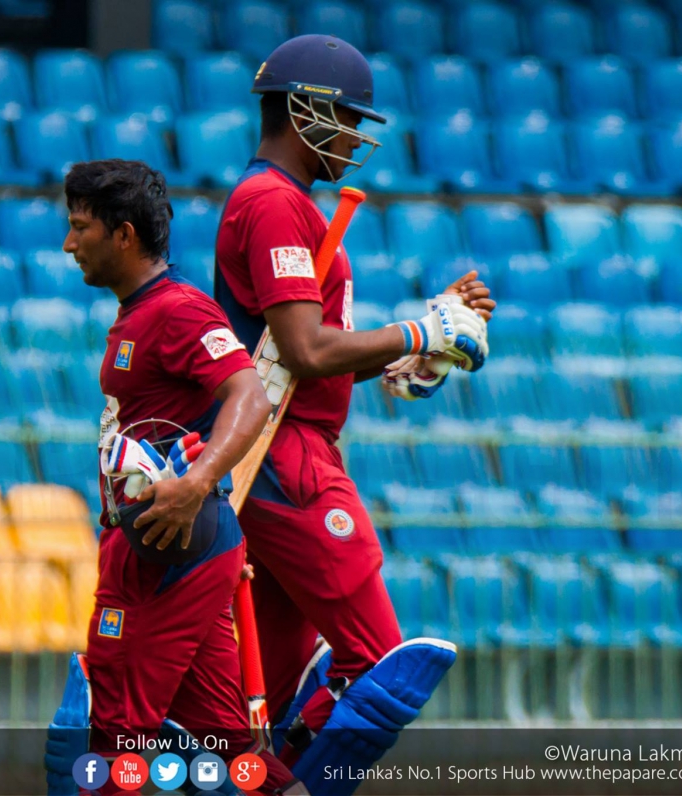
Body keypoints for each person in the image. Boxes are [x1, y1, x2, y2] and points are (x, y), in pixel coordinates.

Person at [213, 35, 497, 792]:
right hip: (287, 457)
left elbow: (304, 360)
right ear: (306, 110)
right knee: (378, 661)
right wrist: (419, 332)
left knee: (263, 699)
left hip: (282, 448)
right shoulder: (273, 203)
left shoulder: (283, 202)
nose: (353, 138)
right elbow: (306, 351)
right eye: (347, 119)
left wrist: (417, 349)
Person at [44, 159, 300, 795]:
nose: (69, 243)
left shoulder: (179, 310)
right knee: (230, 749)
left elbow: (250, 396)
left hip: (167, 551)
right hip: (176, 546)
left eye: (80, 227)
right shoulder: (139, 313)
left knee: (115, 734)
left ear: (124, 234)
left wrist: (196, 482)